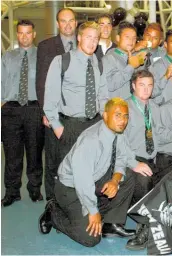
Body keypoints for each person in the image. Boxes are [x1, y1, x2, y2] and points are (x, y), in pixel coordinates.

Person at [38, 98, 152, 247]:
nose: (123, 120)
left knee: (128, 176)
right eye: (117, 115)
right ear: (105, 115)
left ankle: (111, 224)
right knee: (90, 238)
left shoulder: (118, 131)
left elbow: (121, 158)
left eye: (125, 116)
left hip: (95, 180)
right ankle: (53, 213)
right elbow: (82, 181)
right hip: (70, 188)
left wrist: (115, 181)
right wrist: (92, 211)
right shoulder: (90, 141)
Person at [43, 21, 108, 163]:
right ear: (79, 38)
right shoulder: (62, 61)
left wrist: (105, 120)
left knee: (93, 170)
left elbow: (103, 95)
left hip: (95, 125)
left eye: (96, 38)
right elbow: (50, 98)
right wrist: (59, 129)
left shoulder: (99, 63)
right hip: (70, 126)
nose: (92, 42)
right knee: (69, 175)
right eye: (88, 37)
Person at [1, 20, 44, 206]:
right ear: (17, 35)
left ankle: (34, 189)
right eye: (21, 33)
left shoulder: (42, 57)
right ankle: (12, 192)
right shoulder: (7, 57)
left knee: (34, 153)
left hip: (34, 108)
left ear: (34, 34)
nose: (24, 36)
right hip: (10, 109)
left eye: (28, 33)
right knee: (11, 154)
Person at [36, 7, 77, 201]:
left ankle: (74, 199)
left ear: (75, 23)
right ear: (58, 23)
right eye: (63, 21)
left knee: (76, 157)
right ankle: (52, 203)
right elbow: (41, 81)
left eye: (71, 21)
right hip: (55, 112)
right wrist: (46, 111)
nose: (67, 25)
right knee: (52, 160)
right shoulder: (46, 46)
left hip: (78, 114)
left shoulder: (86, 44)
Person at [124, 70, 159, 203]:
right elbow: (119, 142)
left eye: (149, 85)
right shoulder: (124, 108)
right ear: (133, 86)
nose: (146, 89)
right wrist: (133, 163)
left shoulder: (155, 107)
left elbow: (161, 135)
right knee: (144, 182)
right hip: (131, 158)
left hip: (151, 158)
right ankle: (144, 220)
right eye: (142, 85)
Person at [102, 22, 145, 99]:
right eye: (127, 37)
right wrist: (130, 67)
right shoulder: (110, 58)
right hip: (118, 107)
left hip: (133, 106)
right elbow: (110, 84)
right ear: (118, 38)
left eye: (134, 38)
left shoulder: (135, 57)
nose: (131, 41)